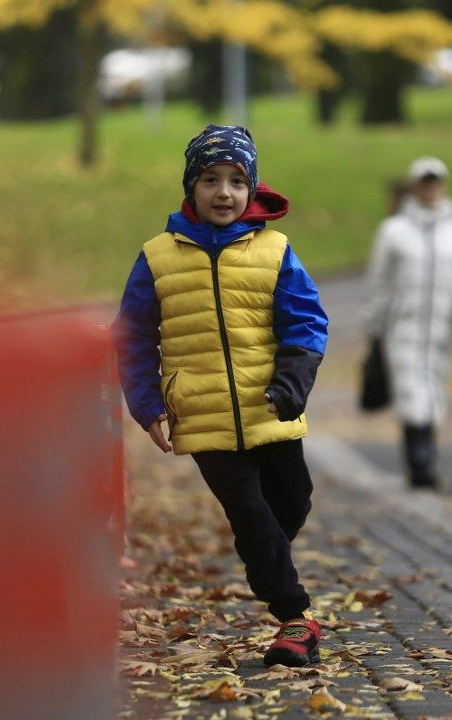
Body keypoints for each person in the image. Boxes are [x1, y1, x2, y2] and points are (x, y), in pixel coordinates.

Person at [111, 125, 328, 667]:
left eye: (236, 180)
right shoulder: (157, 257)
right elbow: (134, 334)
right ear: (192, 186)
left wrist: (291, 384)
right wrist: (146, 403)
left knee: (291, 504)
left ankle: (263, 556)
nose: (224, 192)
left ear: (252, 188)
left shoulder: (275, 250)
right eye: (211, 179)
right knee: (252, 514)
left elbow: (306, 322)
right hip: (203, 417)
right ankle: (295, 620)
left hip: (272, 407)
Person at [363, 157, 452, 489]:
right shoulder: (393, 232)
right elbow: (379, 282)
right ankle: (420, 462)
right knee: (410, 392)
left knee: (434, 391)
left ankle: (425, 454)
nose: (431, 189)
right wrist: (373, 325)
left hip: (441, 330)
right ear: (415, 187)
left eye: (436, 182)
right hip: (402, 327)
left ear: (443, 186)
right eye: (425, 182)